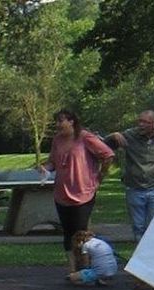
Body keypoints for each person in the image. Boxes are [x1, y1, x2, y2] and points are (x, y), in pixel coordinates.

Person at [41, 109, 114, 272]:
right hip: (62, 193)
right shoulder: (57, 140)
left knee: (81, 232)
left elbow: (108, 155)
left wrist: (100, 176)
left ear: (71, 121)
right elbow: (53, 162)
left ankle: (86, 266)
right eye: (57, 122)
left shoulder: (85, 137)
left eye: (61, 121)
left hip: (83, 192)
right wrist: (45, 169)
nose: (58, 125)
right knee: (67, 232)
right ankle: (72, 268)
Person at [106, 110, 154, 242]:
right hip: (134, 189)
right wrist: (113, 135)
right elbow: (103, 145)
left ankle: (153, 259)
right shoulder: (130, 135)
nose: (141, 125)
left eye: (145, 122)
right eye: (139, 121)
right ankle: (140, 259)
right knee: (138, 227)